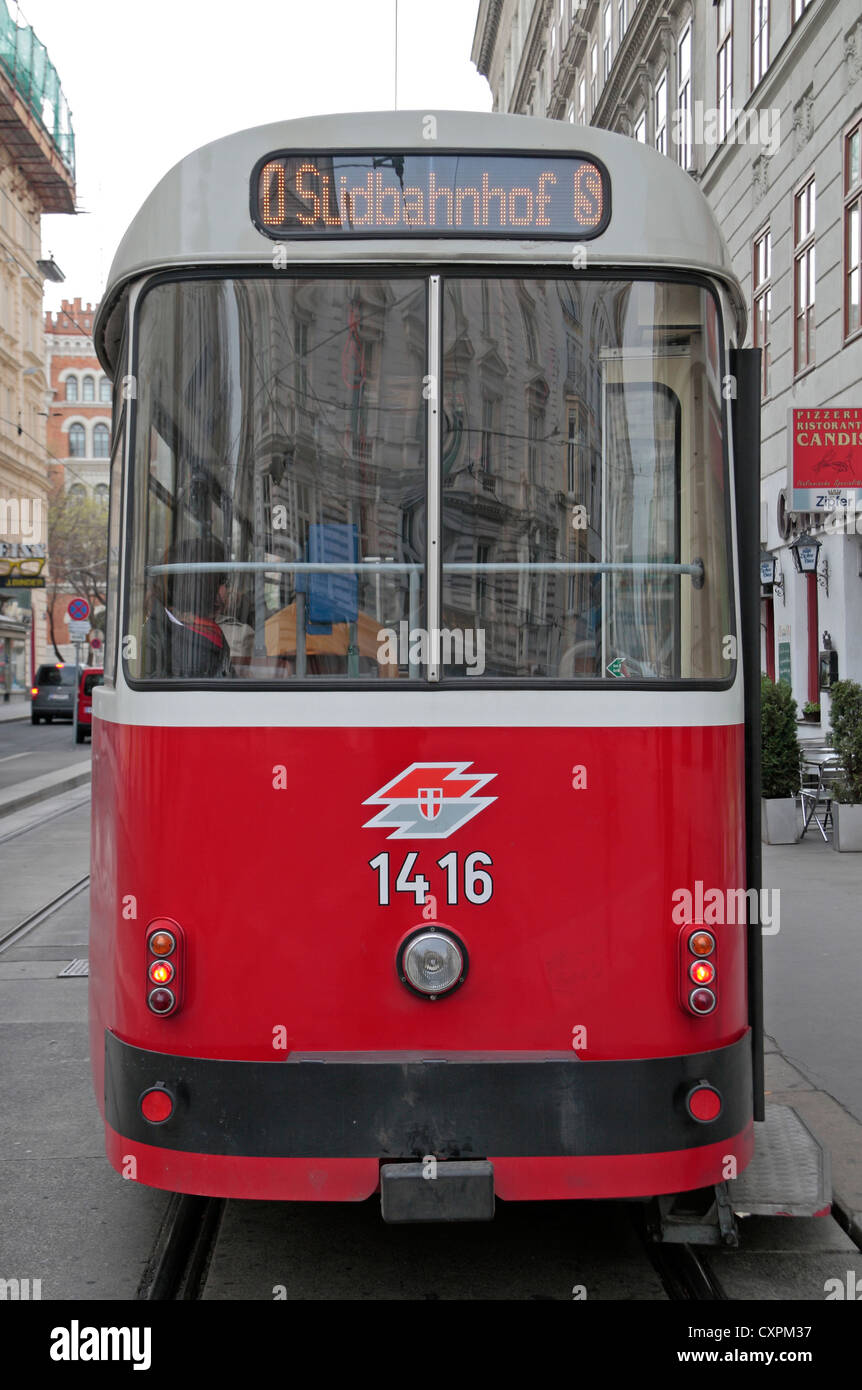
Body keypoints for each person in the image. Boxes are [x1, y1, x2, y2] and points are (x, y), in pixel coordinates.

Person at [144, 537, 232, 679]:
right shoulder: (162, 636)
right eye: (222, 581)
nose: (226, 590)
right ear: (202, 586)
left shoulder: (205, 630)